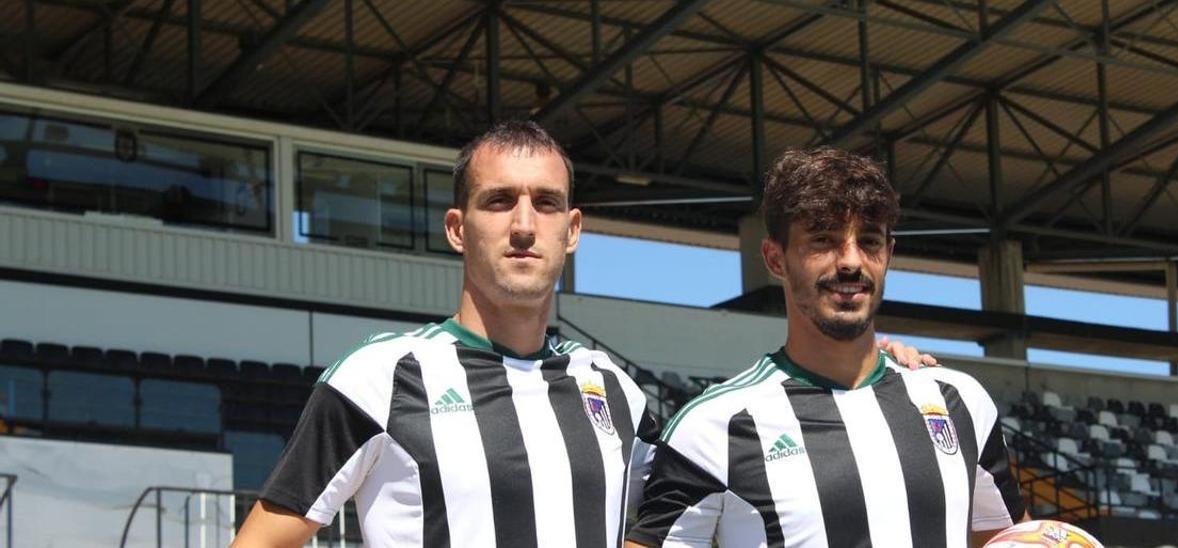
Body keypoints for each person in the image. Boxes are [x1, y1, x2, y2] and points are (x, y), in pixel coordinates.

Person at [232, 122, 934, 548]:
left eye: (545, 203)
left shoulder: (616, 392)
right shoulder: (376, 380)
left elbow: (721, 480)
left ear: (572, 232)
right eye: (498, 201)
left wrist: (876, 378)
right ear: (457, 229)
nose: (522, 223)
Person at [626, 147, 1029, 548]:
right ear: (775, 258)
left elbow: (1012, 540)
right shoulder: (713, 427)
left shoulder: (958, 401)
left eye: (869, 241)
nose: (851, 261)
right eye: (824, 239)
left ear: (888, 254)